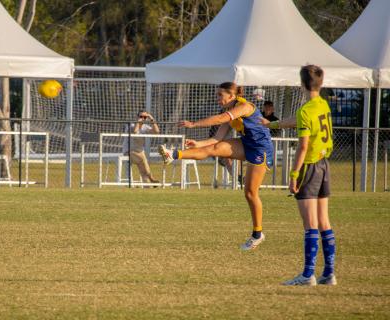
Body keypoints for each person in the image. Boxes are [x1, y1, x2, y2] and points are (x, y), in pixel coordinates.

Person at [158, 82, 274, 251]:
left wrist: (193, 124)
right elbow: (215, 139)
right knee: (216, 149)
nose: (218, 98)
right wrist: (198, 143)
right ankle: (173, 155)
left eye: (221, 95)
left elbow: (220, 119)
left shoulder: (244, 106)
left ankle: (258, 234)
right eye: (217, 94)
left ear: (231, 96)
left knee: (250, 193)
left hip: (261, 148)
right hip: (246, 144)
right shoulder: (229, 113)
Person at [265, 65, 336, 286]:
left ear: (302, 84)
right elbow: (299, 121)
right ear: (320, 83)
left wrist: (294, 175)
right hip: (324, 165)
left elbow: (303, 146)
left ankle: (307, 275)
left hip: (309, 167)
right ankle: (329, 273)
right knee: (324, 221)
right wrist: (272, 124)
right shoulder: (321, 105)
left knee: (310, 223)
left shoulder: (305, 110)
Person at [123, 111, 160, 184]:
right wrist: (138, 122)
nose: (143, 119)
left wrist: (152, 119)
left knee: (142, 166)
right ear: (137, 117)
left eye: (145, 117)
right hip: (129, 150)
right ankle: (151, 178)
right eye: (141, 117)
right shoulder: (131, 125)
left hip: (139, 151)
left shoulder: (145, 127)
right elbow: (135, 132)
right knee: (142, 160)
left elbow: (157, 131)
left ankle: (147, 185)